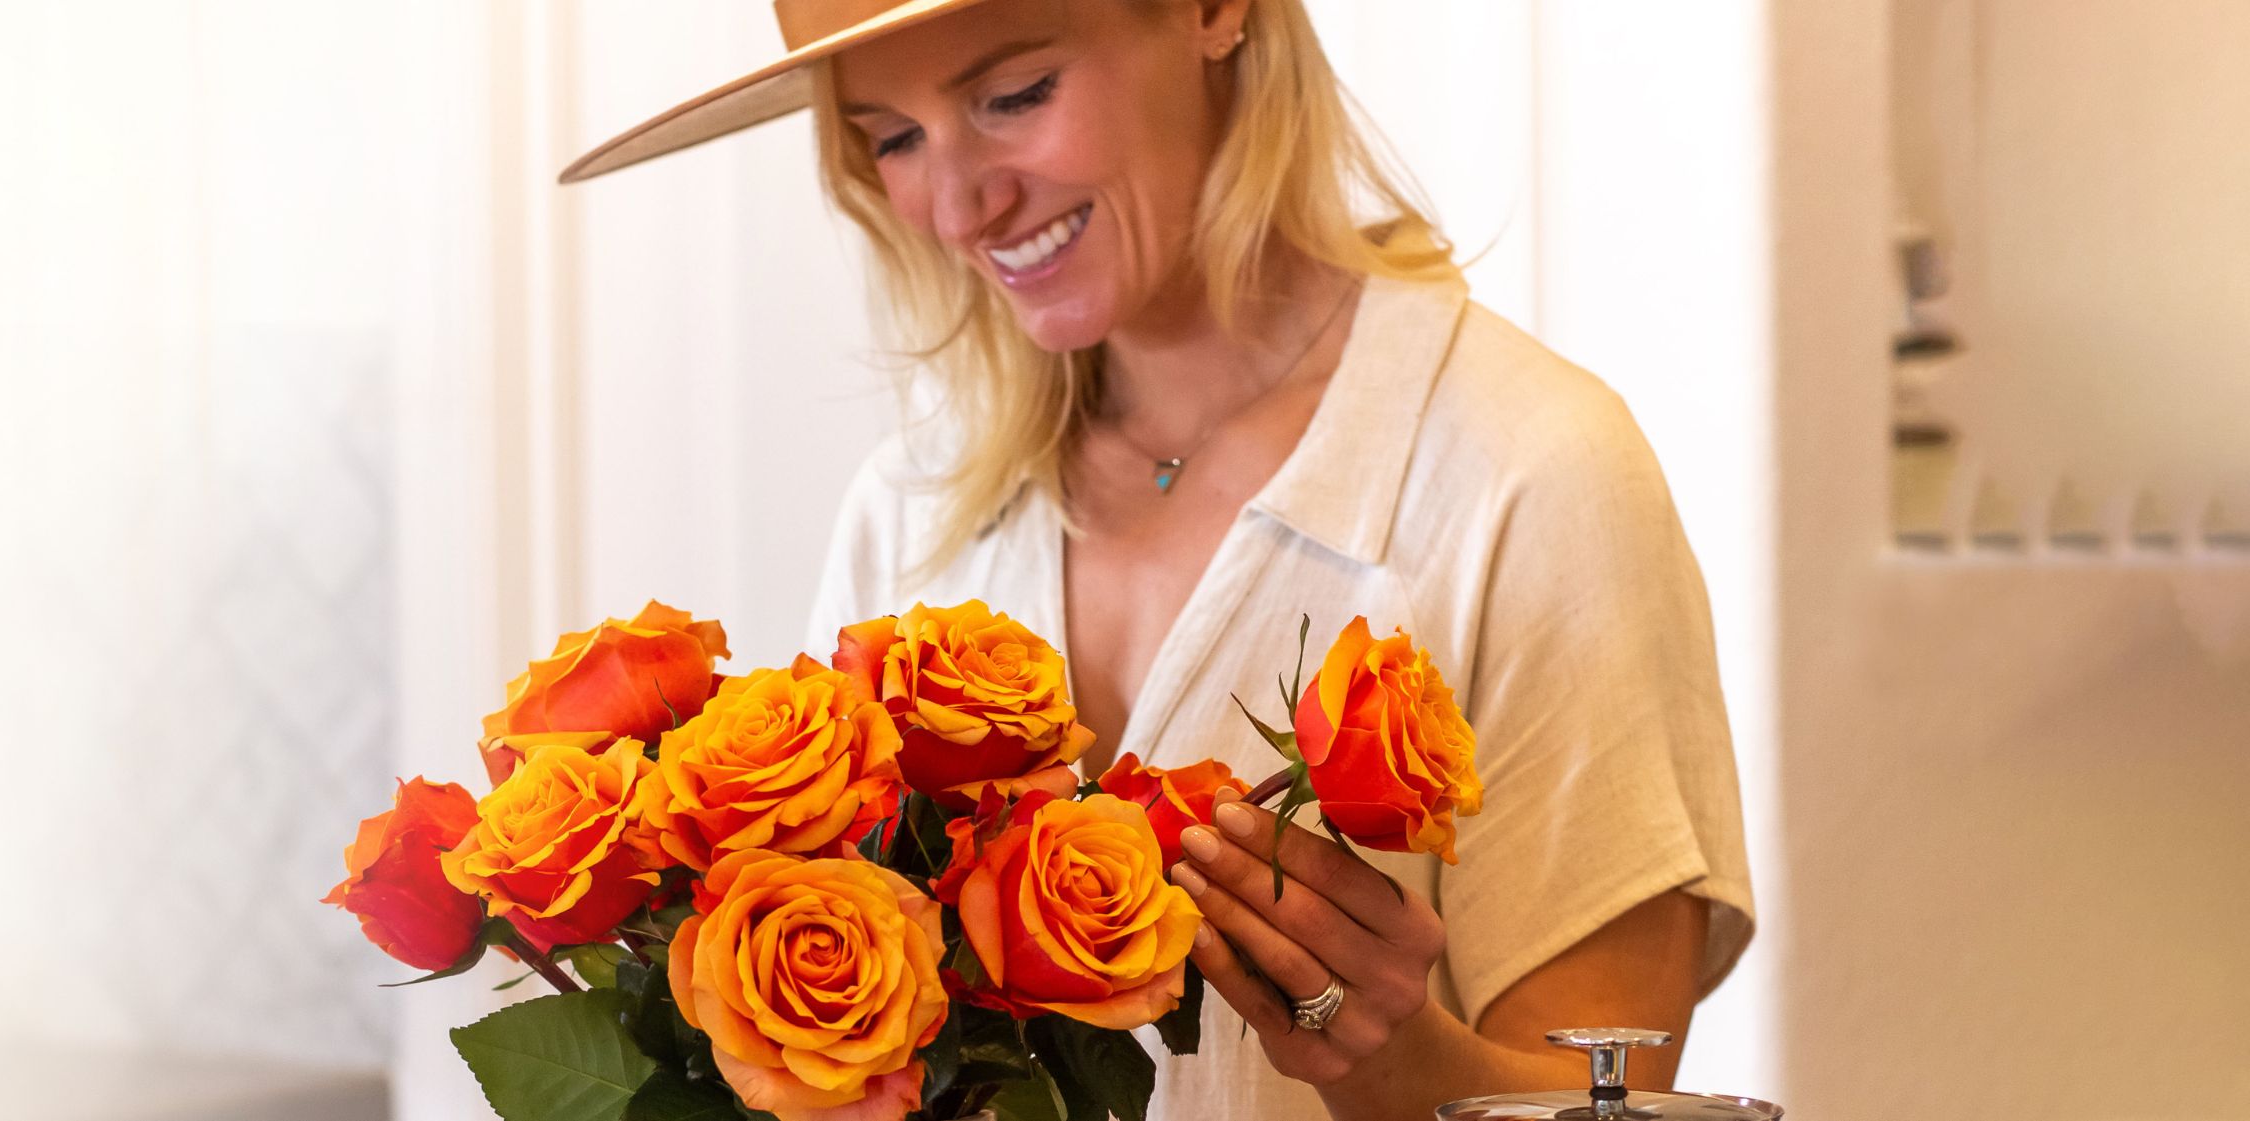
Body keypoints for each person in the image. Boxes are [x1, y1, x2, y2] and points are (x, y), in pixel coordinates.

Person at [558, 2, 1756, 1119]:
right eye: (892, 137)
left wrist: (1386, 1053)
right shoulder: (911, 507)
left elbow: (1604, 1089)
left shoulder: (1527, 474)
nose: (958, 205)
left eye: (1014, 94)